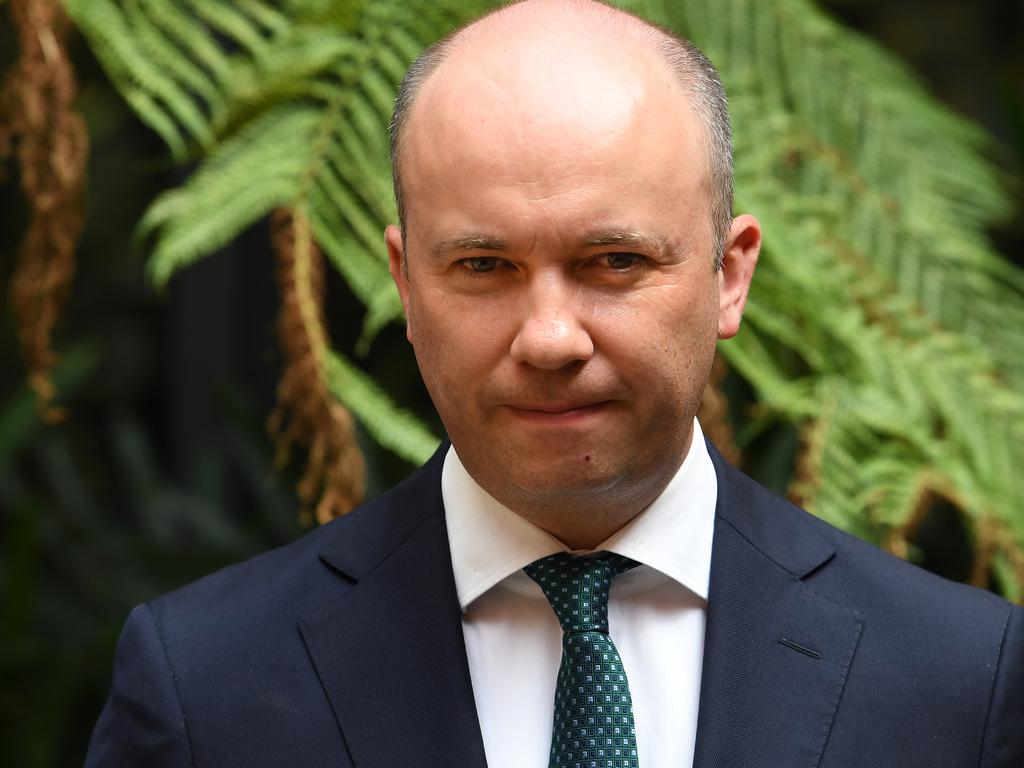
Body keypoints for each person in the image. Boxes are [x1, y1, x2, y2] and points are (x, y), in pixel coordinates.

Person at [86, 1, 1023, 766]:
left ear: (728, 275)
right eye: (485, 267)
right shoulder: (206, 689)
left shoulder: (959, 683)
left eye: (614, 261)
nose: (548, 338)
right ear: (407, 284)